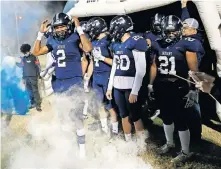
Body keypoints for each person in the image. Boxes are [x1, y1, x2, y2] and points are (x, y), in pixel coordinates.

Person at [32, 13, 92, 157]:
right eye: (57, 27)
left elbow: (88, 48)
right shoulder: (52, 40)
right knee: (63, 116)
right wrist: (40, 34)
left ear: (68, 26)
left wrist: (79, 28)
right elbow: (36, 52)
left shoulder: (75, 37)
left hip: (74, 81)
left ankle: (82, 152)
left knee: (77, 118)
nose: (59, 30)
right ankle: (68, 146)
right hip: (59, 83)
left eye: (62, 26)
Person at [148, 15, 199, 163]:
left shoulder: (186, 45)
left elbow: (193, 70)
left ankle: (185, 151)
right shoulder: (157, 44)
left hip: (179, 86)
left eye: (173, 31)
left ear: (179, 30)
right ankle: (170, 143)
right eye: (168, 31)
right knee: (166, 116)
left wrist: (193, 89)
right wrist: (151, 84)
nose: (171, 34)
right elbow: (153, 65)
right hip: (162, 85)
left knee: (180, 119)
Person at [106, 15, 148, 142]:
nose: (112, 31)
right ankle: (128, 142)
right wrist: (110, 87)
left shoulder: (135, 41)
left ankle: (141, 145)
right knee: (123, 114)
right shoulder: (116, 44)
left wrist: (135, 91)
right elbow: (114, 66)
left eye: (114, 28)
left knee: (135, 116)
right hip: (118, 86)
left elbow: (141, 69)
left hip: (130, 86)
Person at [86, 17, 119, 135]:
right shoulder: (93, 42)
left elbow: (116, 62)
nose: (90, 32)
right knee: (99, 105)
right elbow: (91, 62)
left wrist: (103, 58)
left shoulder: (109, 42)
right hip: (96, 77)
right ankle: (105, 130)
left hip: (107, 77)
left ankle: (115, 132)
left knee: (111, 106)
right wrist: (88, 77)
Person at [18, 44, 42, 112]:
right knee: (29, 91)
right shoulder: (23, 58)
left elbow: (38, 66)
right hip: (26, 77)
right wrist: (15, 62)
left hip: (33, 77)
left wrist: (40, 74)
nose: (25, 54)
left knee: (35, 91)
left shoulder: (34, 57)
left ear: (28, 50)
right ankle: (32, 103)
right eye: (24, 53)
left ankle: (38, 105)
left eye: (26, 52)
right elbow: (21, 66)